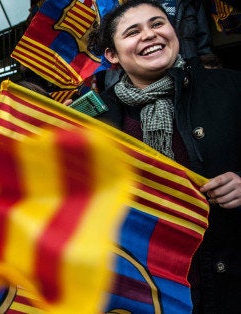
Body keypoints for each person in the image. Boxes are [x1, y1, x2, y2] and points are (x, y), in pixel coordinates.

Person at [88, 0, 241, 312]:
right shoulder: (93, 122)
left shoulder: (231, 88)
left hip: (231, 282)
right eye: (133, 31)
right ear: (112, 55)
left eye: (158, 24)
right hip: (148, 290)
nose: (150, 35)